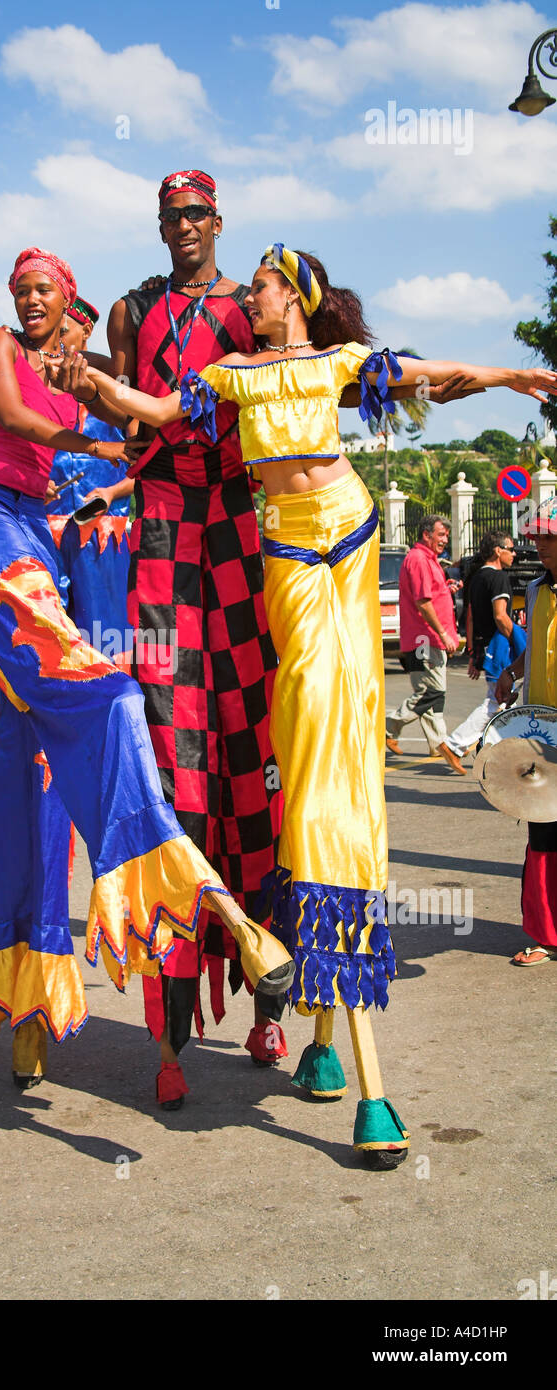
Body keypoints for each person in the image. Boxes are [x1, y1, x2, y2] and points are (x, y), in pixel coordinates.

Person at [65, 239, 557, 1161]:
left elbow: (429, 374)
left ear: (292, 294)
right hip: (288, 555)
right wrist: (92, 386)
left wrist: (509, 374)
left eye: (258, 284)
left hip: (351, 533)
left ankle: (332, 1024)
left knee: (336, 738)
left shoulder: (335, 364)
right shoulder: (232, 375)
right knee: (316, 742)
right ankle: (331, 1026)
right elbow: (159, 410)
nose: (247, 295)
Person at [0, 245, 293, 1092]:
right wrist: (93, 447)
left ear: (71, 304)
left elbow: (145, 430)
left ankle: (32, 1002)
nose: (28, 301)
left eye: (44, 291)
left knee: (36, 755)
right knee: (107, 695)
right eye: (22, 288)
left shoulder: (83, 374)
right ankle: (169, 868)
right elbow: (18, 421)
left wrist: (124, 428)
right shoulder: (0, 348)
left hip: (54, 542)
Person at [46, 296, 131, 664]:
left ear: (87, 332)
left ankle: (117, 714)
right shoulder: (31, 394)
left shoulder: (118, 390)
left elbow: (151, 465)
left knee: (105, 640)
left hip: (103, 536)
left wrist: (112, 491)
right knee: (52, 640)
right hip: (45, 534)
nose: (55, 342)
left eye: (62, 331)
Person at [495, 495, 557, 967]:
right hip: (541, 729)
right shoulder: (534, 591)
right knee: (542, 832)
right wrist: (511, 672)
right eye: (539, 539)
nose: (543, 547)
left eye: (550, 539)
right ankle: (541, 932)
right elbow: (532, 646)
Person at [385, 515, 464, 773]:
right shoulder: (419, 559)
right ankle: (388, 726)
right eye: (440, 535)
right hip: (424, 638)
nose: (444, 540)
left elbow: (430, 595)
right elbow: (422, 602)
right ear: (426, 534)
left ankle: (437, 744)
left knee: (433, 692)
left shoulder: (429, 560)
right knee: (430, 692)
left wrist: (447, 590)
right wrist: (443, 635)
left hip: (427, 637)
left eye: (446, 536)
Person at [442, 530, 520, 765]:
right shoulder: (498, 578)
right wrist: (520, 640)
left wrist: (476, 654)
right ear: (498, 550)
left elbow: (472, 618)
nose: (514, 554)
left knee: (508, 703)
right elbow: (500, 616)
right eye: (511, 549)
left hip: (487, 646)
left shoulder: (477, 578)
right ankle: (455, 743)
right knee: (498, 701)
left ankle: (487, 746)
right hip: (500, 645)